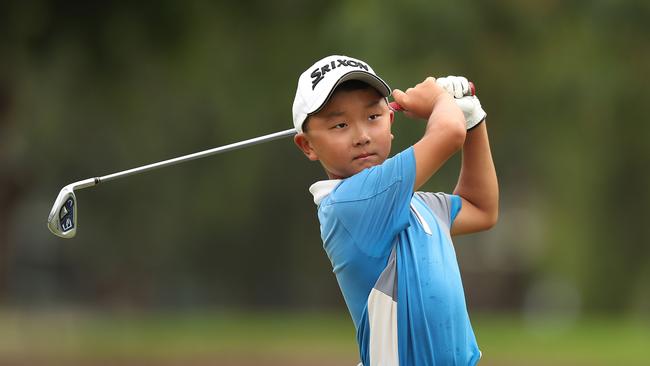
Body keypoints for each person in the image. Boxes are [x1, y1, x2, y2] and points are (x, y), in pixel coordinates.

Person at [292, 55, 498, 366]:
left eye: (372, 117)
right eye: (340, 124)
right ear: (307, 145)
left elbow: (481, 209)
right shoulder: (348, 205)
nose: (361, 135)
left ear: (391, 122)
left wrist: (473, 122)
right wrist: (439, 100)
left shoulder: (417, 204)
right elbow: (447, 134)